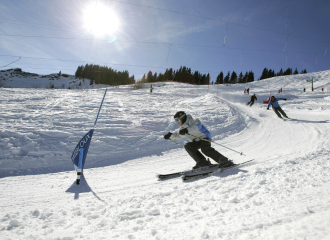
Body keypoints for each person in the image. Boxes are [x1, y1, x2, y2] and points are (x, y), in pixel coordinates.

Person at [164, 111, 232, 169]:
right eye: (175, 120)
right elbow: (178, 136)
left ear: (182, 118)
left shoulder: (194, 120)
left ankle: (224, 160)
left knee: (205, 149)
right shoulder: (182, 128)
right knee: (188, 146)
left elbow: (196, 127)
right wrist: (170, 136)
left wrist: (187, 130)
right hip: (196, 141)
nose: (177, 122)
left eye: (177, 120)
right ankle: (202, 161)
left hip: (204, 137)